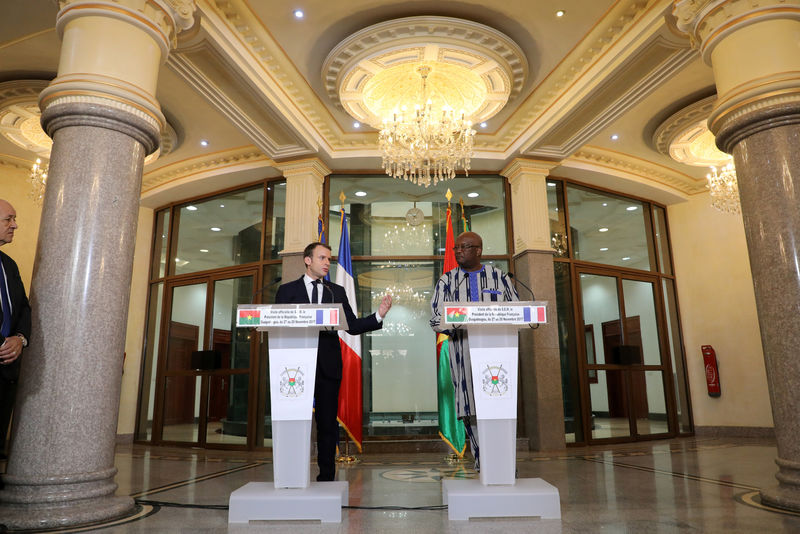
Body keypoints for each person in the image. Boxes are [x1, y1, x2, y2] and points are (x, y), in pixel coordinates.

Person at [275, 242, 392, 481]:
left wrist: (378, 315)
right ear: (308, 260)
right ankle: (290, 475)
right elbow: (278, 325)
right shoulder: (286, 291)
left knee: (327, 425)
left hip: (328, 367)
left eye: (329, 259)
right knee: (294, 421)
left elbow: (352, 326)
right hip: (294, 368)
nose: (328, 263)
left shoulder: (336, 291)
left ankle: (326, 477)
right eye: (322, 258)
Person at [430, 231, 518, 470]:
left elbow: (517, 311)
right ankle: (484, 460)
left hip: (498, 353)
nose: (458, 251)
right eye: (455, 248)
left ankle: (504, 461)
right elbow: (435, 319)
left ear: (478, 250)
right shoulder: (447, 281)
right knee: (470, 407)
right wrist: (459, 319)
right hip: (463, 352)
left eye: (464, 247)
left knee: (499, 403)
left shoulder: (499, 277)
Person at [0, 199, 31, 463]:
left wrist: (20, 339)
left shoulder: (9, 265)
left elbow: (23, 307)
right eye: (8, 219)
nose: (15, 225)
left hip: (6, 369)